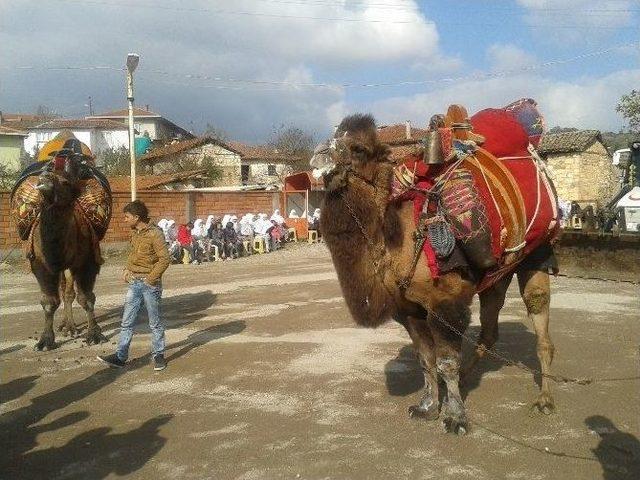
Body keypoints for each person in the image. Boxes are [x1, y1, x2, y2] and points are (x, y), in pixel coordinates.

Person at [97, 200, 170, 371]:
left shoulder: (155, 234)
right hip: (134, 283)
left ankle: (158, 355)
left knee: (155, 323)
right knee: (126, 322)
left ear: (137, 217)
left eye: (127, 217)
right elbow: (133, 254)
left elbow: (165, 259)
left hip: (149, 284)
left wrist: (150, 279)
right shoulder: (134, 233)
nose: (125, 220)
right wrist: (126, 269)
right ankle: (120, 357)